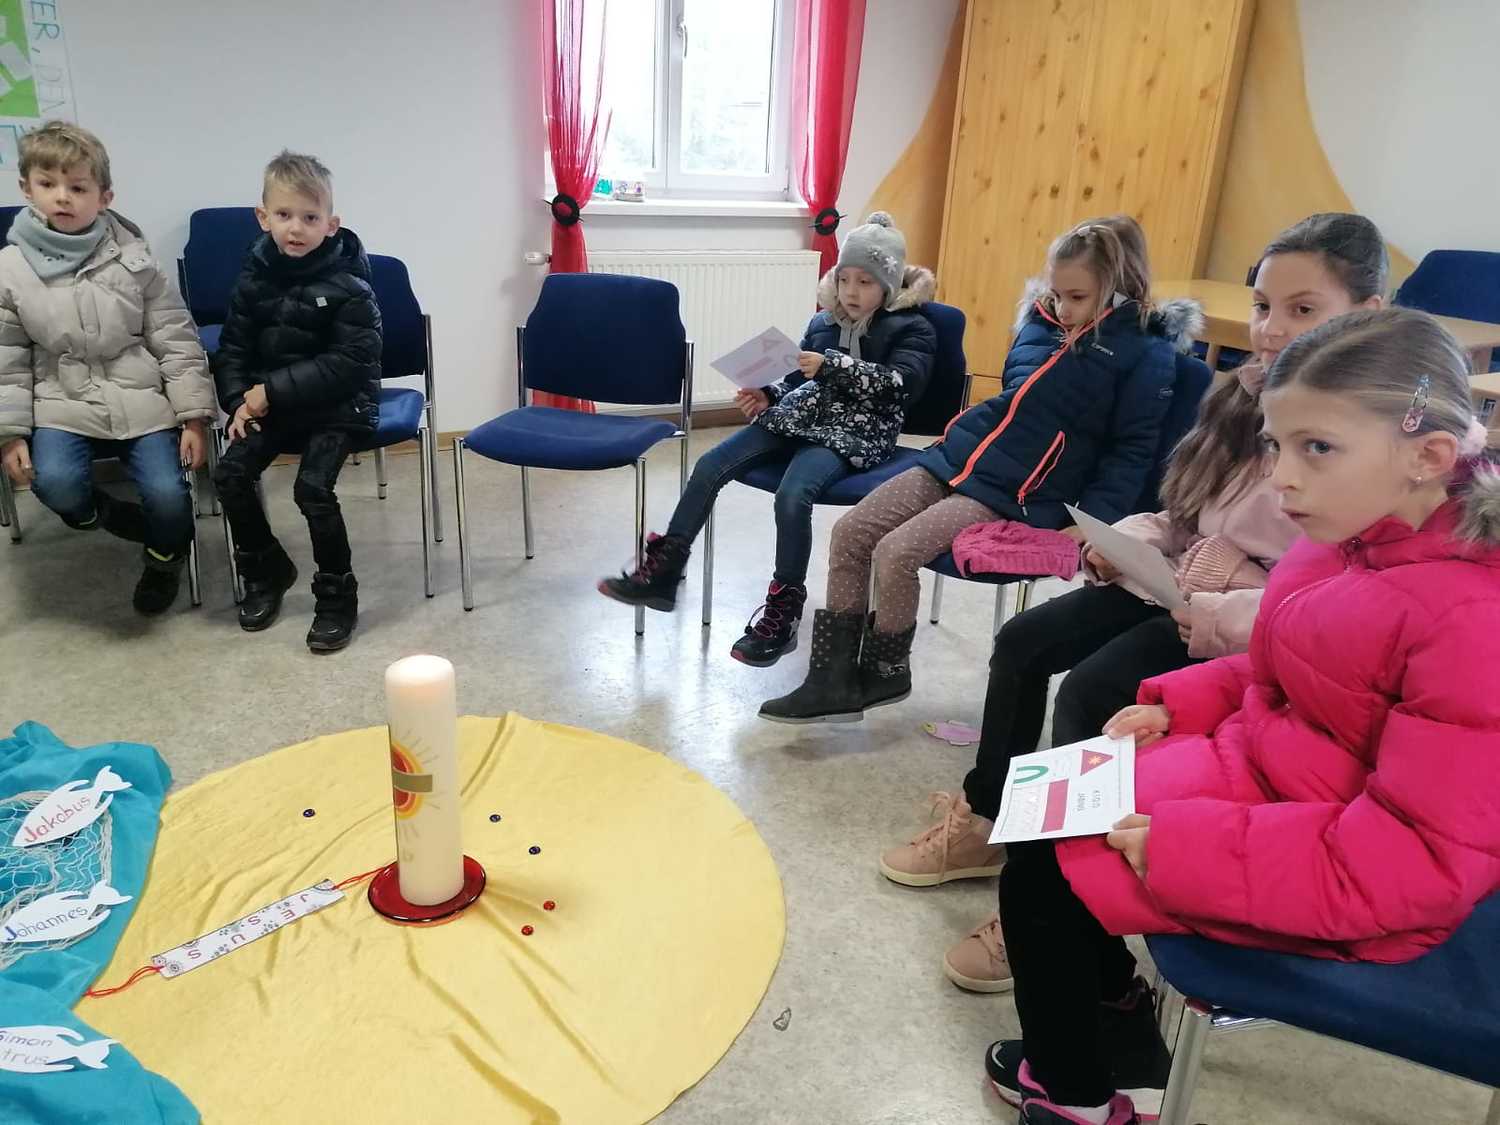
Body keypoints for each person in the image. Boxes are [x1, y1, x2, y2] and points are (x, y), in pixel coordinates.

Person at [985, 306, 1500, 1125]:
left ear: (1428, 455)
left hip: (1351, 874)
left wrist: (1183, 848)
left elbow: (1415, 864)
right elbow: (1288, 666)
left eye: (1316, 447)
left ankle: (1075, 1095)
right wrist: (1182, 701)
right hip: (1273, 784)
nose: (1282, 476)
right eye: (1277, 444)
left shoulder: (1472, 621)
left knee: (1049, 866)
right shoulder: (1349, 534)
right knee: (1041, 815)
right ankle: (1110, 1014)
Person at [878, 213, 1391, 995]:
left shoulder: (1364, 440)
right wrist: (1124, 538)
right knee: (1023, 642)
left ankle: (1056, 902)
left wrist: (1214, 598)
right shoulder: (1242, 395)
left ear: (1368, 313)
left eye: (1303, 309)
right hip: (1181, 584)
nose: (1270, 330)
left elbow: (1326, 597)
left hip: (1246, 627)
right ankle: (989, 822)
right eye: (1263, 306)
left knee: (1092, 695)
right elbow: (1185, 512)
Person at [760, 216, 1197, 724]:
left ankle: (884, 670)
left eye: (1077, 297)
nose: (1062, 308)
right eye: (1057, 294)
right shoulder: (1040, 321)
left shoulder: (1144, 352)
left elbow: (1132, 450)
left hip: (1015, 491)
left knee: (895, 552)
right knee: (851, 533)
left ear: (1119, 287)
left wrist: (1095, 521)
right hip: (957, 457)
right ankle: (829, 679)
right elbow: (1015, 400)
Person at [598, 212, 937, 666]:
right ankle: (665, 571)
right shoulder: (823, 322)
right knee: (709, 465)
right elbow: (798, 378)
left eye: (865, 282)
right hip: (798, 416)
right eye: (844, 279)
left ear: (889, 286)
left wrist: (834, 366)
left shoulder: (914, 328)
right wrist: (767, 393)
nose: (851, 292)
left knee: (793, 494)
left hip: (854, 431)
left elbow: (902, 385)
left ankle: (784, 611)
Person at [0, 121, 214, 614]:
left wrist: (194, 418)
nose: (63, 197)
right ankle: (109, 516)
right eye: (48, 184)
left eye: (78, 187)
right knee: (55, 484)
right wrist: (10, 434)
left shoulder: (137, 259)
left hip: (140, 395)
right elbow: (5, 359)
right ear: (27, 189)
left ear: (104, 196)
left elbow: (175, 338)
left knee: (169, 498)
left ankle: (164, 560)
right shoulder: (10, 269)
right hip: (61, 398)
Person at [212, 151, 382, 652]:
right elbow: (233, 348)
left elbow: (350, 362)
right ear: (262, 217)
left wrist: (269, 392)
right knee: (230, 475)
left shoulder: (351, 284)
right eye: (284, 215)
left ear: (331, 225)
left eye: (310, 217)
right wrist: (238, 400)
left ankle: (336, 594)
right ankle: (266, 569)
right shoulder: (253, 278)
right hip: (276, 406)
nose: (296, 228)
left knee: (312, 489)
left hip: (340, 406)